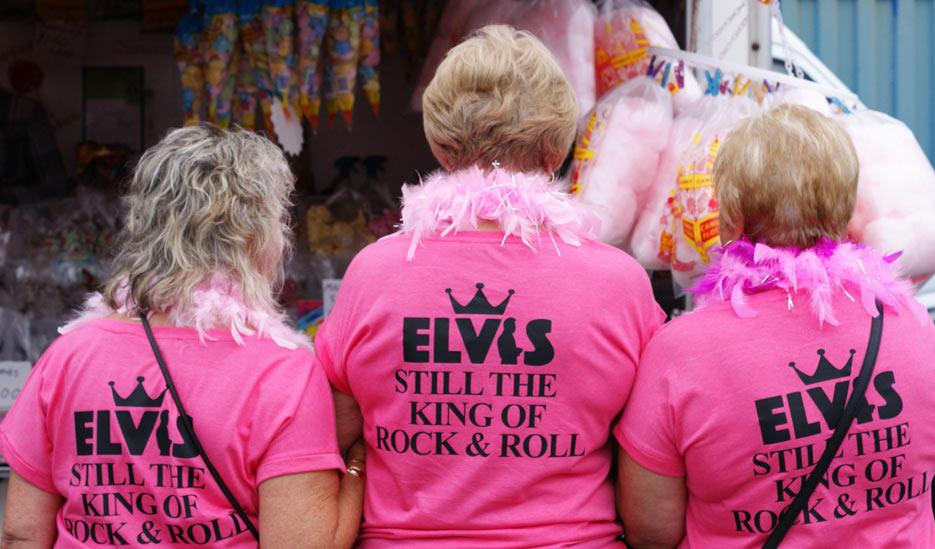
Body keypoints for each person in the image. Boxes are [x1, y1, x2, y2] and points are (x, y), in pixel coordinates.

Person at [315, 25, 665, 547]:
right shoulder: (619, 282)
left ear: (440, 145)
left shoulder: (374, 273)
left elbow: (330, 433)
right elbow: (653, 468)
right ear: (556, 150)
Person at [0, 125, 364, 548]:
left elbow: (21, 535)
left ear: (143, 224)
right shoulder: (283, 373)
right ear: (260, 234)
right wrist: (359, 467)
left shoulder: (69, 356)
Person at [614, 104, 935, 548]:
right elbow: (928, 466)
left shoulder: (679, 353)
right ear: (846, 212)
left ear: (731, 221)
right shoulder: (910, 322)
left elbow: (651, 532)